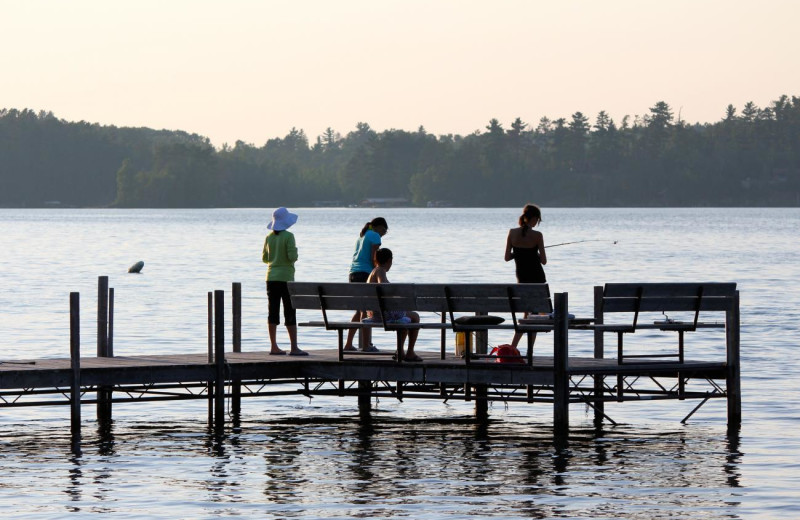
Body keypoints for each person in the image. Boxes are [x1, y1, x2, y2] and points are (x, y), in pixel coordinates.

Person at [262, 207, 307, 356]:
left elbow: (265, 258)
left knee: (272, 311)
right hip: (286, 278)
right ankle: (294, 347)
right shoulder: (289, 236)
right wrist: (296, 250)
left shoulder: (269, 237)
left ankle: (273, 346)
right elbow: (292, 257)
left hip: (271, 277)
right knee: (289, 311)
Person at [365, 248, 422, 362]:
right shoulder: (380, 271)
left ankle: (400, 352)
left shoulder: (373, 272)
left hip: (375, 314)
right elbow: (384, 286)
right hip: (384, 315)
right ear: (389, 260)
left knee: (405, 318)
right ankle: (410, 352)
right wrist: (397, 292)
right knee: (415, 316)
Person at [504, 203, 547, 350]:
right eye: (537, 220)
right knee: (533, 316)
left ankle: (513, 347)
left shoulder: (512, 233)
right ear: (533, 218)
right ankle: (528, 351)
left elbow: (507, 257)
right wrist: (535, 253)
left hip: (522, 279)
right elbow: (544, 261)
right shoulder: (537, 236)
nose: (537, 223)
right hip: (537, 280)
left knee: (527, 315)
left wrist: (520, 253)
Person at [343, 217, 389, 352]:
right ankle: (365, 345)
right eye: (384, 231)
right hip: (365, 274)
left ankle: (348, 344)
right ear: (379, 227)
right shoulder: (374, 236)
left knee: (359, 310)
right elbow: (374, 259)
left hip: (353, 274)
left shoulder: (362, 236)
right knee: (366, 310)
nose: (383, 234)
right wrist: (380, 272)